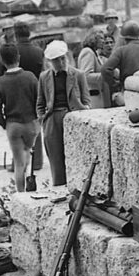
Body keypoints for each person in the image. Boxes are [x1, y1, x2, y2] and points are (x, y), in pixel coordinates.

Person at [36, 39, 91, 186]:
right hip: (53, 120)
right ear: (50, 62)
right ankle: (59, 188)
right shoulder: (44, 77)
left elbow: (86, 100)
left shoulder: (78, 75)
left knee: (77, 157)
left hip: (73, 117)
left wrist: (84, 113)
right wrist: (43, 120)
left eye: (62, 58)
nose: (60, 62)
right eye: (56, 60)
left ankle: (78, 188)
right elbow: (40, 103)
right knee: (56, 159)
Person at [0, 44, 39, 192]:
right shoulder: (30, 77)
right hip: (30, 123)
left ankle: (20, 194)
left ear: (2, 61)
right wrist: (38, 119)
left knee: (18, 163)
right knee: (27, 153)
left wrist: (4, 124)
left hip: (13, 125)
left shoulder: (0, 82)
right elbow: (39, 100)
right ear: (18, 57)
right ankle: (29, 187)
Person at [13, 22, 45, 170]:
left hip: (16, 92)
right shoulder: (38, 51)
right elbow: (44, 72)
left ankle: (19, 161)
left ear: (15, 34)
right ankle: (36, 161)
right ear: (29, 33)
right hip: (35, 91)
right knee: (35, 126)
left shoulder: (12, 51)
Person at [100, 22, 139, 107]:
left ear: (124, 39)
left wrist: (115, 86)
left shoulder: (121, 51)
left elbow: (105, 69)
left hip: (127, 91)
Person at [77, 30, 105, 109]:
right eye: (101, 38)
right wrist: (106, 75)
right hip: (93, 97)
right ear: (93, 39)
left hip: (97, 96)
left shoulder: (94, 53)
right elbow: (86, 75)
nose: (103, 41)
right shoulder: (88, 52)